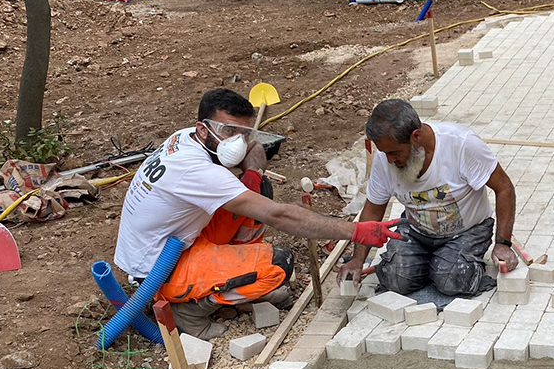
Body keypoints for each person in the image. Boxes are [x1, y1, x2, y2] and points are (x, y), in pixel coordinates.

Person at [114, 88, 401, 339]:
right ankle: (189, 311)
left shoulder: (188, 137)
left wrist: (251, 171)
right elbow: (279, 216)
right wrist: (354, 230)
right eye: (228, 131)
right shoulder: (196, 171)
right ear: (203, 129)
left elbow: (253, 149)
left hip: (174, 241)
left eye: (244, 132)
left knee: (259, 188)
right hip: (157, 269)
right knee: (277, 265)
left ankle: (228, 278)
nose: (237, 142)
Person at [338, 99, 518, 296]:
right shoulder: (385, 158)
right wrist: (358, 260)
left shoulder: (461, 144)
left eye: (394, 152)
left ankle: (446, 264)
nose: (389, 160)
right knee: (397, 279)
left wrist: (502, 243)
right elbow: (373, 209)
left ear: (416, 136)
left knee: (452, 279)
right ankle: (430, 263)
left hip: (468, 230)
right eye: (385, 153)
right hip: (417, 230)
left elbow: (504, 188)